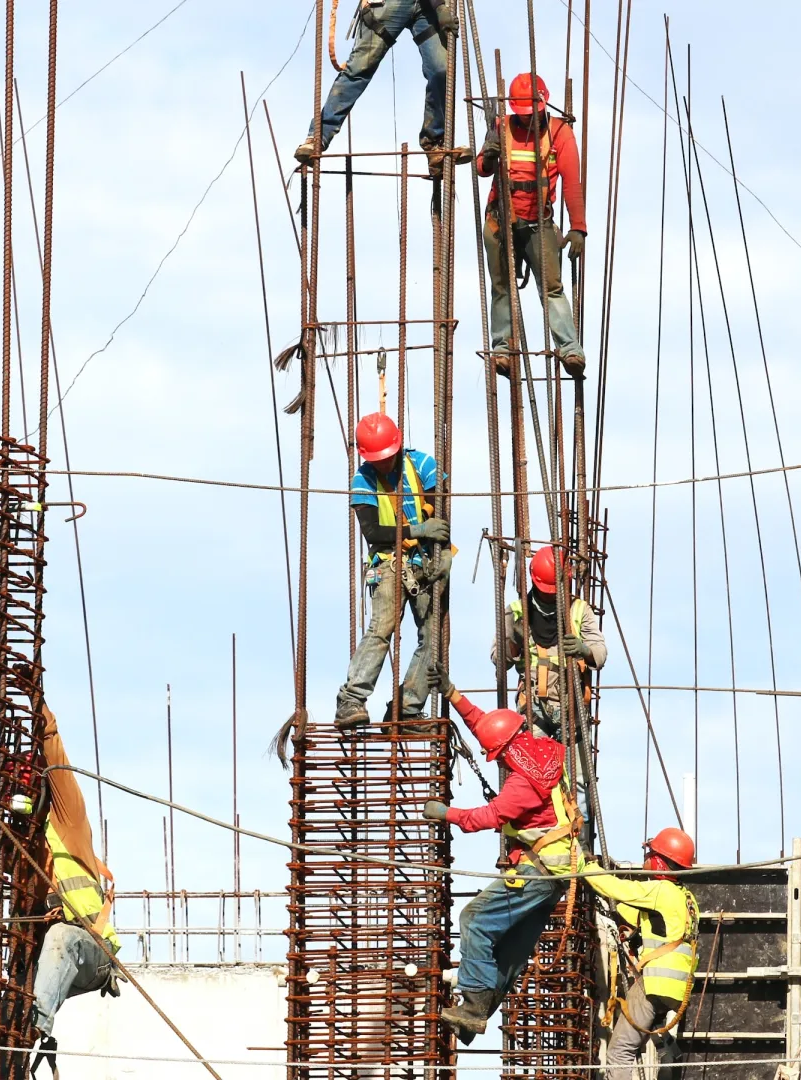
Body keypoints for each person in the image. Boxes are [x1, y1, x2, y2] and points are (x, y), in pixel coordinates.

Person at [429, 688, 578, 1039]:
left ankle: (474, 1004)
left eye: (497, 756)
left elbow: (491, 815)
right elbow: (488, 724)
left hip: (538, 869)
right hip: (554, 872)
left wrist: (446, 813)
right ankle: (476, 1013)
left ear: (506, 751)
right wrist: (452, 694)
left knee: (475, 919)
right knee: (511, 951)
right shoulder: (541, 752)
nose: (497, 761)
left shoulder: (523, 782)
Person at [335, 412, 448, 730]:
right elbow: (372, 532)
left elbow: (440, 508)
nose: (384, 464)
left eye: (387, 457)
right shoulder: (363, 480)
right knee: (382, 628)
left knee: (435, 637)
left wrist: (445, 549)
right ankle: (351, 699)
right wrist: (418, 528)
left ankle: (407, 708)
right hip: (388, 564)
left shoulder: (422, 465)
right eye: (378, 459)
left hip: (423, 565)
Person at [476, 72, 588, 376]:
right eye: (524, 115)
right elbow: (482, 170)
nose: (529, 120)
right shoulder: (501, 128)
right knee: (501, 287)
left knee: (552, 288)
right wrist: (488, 154)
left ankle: (569, 349)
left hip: (539, 225)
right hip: (501, 222)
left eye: (533, 114)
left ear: (543, 105)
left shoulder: (559, 132)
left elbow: (572, 183)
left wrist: (578, 226)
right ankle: (502, 348)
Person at [29, 715, 122, 1065]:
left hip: (92, 951)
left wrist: (40, 709)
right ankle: (17, 1042)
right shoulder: (21, 850)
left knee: (61, 936)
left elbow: (57, 764)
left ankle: (37, 1022)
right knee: (13, 991)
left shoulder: (67, 824)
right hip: (53, 965)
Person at [294, 0, 463, 165]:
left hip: (428, 6)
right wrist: (440, 6)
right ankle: (318, 136)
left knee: (442, 70)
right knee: (359, 69)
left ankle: (435, 142)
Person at [597, 828, 702, 1080]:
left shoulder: (660, 890)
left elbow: (616, 888)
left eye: (650, 853)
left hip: (656, 982)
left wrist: (583, 867)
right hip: (677, 988)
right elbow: (653, 922)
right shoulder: (687, 898)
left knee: (620, 1051)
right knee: (652, 1028)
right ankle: (667, 1046)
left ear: (658, 860)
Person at [491, 544, 607, 737]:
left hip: (572, 709)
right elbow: (499, 661)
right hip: (534, 709)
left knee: (576, 768)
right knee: (536, 764)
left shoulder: (578, 609)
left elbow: (600, 653)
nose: (551, 594)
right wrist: (514, 645)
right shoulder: (516, 612)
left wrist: (584, 650)